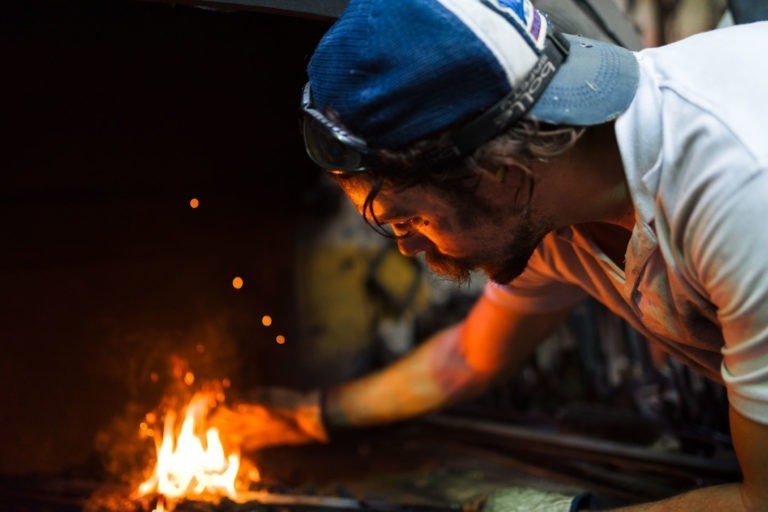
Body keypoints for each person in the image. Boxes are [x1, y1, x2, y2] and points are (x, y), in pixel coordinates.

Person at [215, 0, 768, 510]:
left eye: (407, 219)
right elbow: (471, 357)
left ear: (499, 174)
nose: (408, 246)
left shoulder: (739, 193)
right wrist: (307, 417)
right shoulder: (552, 198)